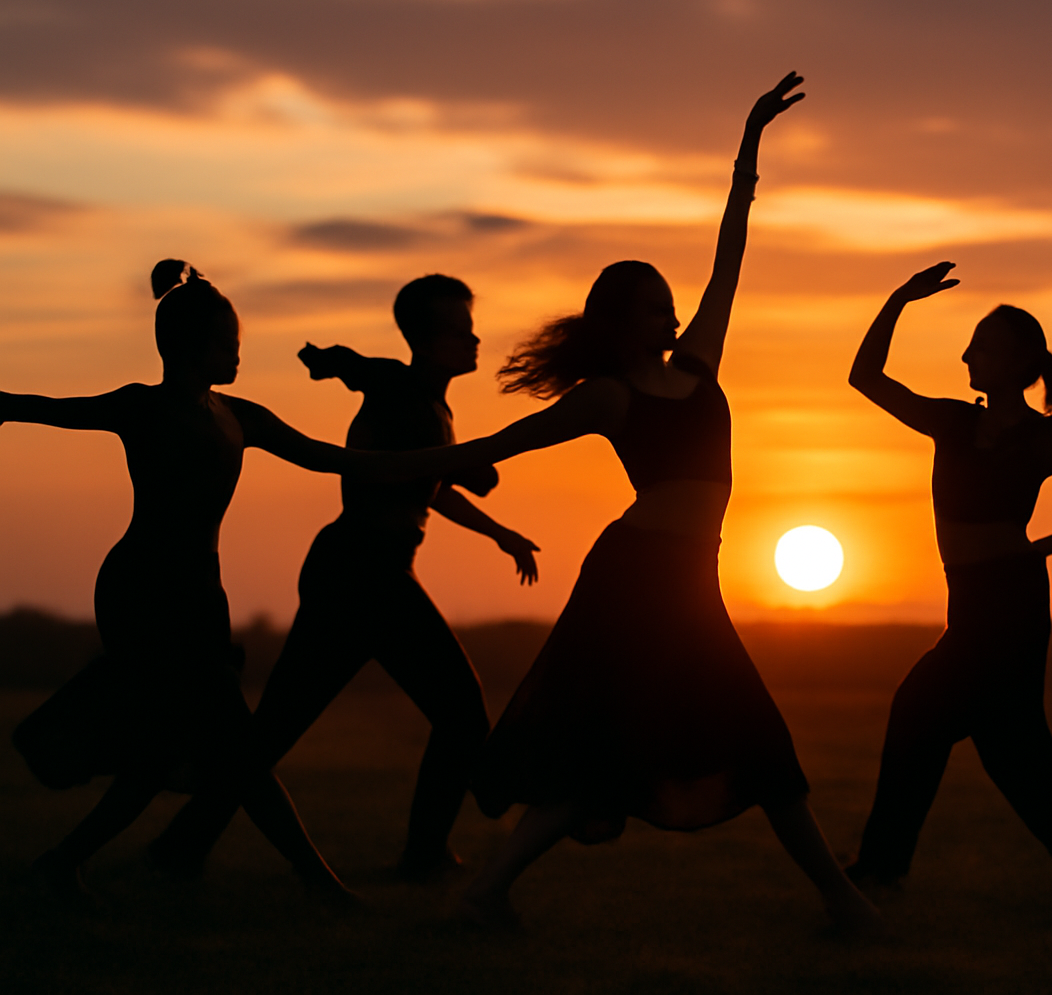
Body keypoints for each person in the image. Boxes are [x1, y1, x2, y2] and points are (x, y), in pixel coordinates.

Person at [344, 73, 880, 931]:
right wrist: (381, 464)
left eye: (674, 302)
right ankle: (845, 905)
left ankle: (486, 893)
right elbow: (493, 449)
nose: (674, 312)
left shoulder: (698, 368)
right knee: (752, 740)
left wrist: (750, 142)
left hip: (686, 581)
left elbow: (731, 250)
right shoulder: (609, 396)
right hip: (638, 581)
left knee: (630, 754)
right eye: (657, 305)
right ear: (626, 318)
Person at [147, 275, 539, 882]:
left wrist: (497, 531)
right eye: (460, 330)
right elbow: (371, 374)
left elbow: (426, 484)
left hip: (366, 572)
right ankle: (426, 854)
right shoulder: (397, 384)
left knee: (277, 727)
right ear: (426, 340)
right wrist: (336, 363)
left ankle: (180, 846)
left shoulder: (434, 405)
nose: (474, 339)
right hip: (363, 573)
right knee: (459, 710)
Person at [4, 262, 364, 905]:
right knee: (236, 743)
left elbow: (336, 459)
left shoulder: (241, 416)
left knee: (157, 748)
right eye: (228, 341)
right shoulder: (141, 407)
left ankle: (59, 863)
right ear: (191, 344)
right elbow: (34, 408)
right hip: (142, 591)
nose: (237, 351)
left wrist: (458, 459)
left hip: (201, 593)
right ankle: (319, 882)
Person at [842, 261, 1052, 889]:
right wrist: (897, 299)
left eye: (980, 344)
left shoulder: (1044, 436)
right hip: (971, 599)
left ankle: (882, 868)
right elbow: (864, 377)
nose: (966, 352)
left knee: (919, 710)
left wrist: (1036, 551)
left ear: (1011, 361)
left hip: (1011, 601)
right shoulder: (952, 420)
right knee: (1012, 748)